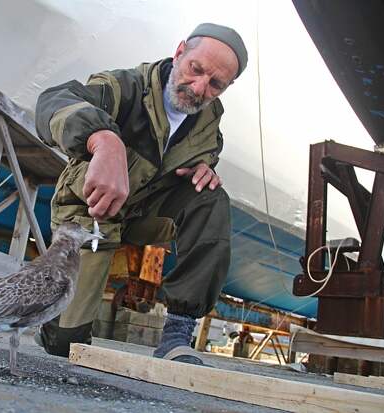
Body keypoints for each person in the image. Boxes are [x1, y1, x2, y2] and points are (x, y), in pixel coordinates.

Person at [34, 22, 248, 364]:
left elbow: (205, 157)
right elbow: (53, 102)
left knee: (211, 199)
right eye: (196, 69)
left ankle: (178, 333)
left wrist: (205, 170)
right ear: (180, 52)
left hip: (147, 214)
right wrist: (103, 139)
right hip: (93, 212)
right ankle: (52, 322)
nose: (199, 88)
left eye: (215, 85)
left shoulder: (210, 123)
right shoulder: (124, 86)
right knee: (65, 347)